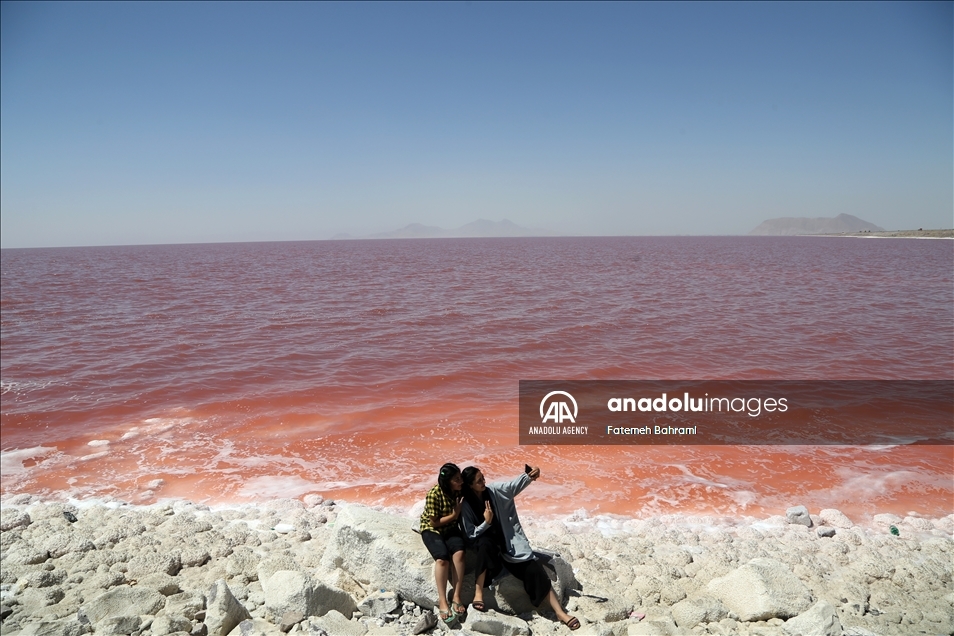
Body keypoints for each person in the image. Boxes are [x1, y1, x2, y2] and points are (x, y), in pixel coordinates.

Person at [460, 465, 580, 631]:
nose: (484, 481)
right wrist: (486, 523)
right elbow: (470, 534)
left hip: (508, 546)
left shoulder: (493, 491)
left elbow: (511, 486)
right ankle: (478, 592)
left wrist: (529, 477)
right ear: (470, 485)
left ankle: (560, 612)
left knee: (534, 569)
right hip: (488, 550)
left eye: (483, 478)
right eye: (479, 480)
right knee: (485, 543)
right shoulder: (466, 505)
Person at [419, 462, 467, 624]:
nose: (461, 482)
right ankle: (442, 600)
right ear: (448, 482)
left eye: (460, 478)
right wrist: (454, 515)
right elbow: (433, 522)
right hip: (433, 529)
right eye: (457, 479)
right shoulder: (434, 494)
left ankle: (457, 595)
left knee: (459, 553)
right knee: (442, 559)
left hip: (451, 528)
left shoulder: (458, 491)